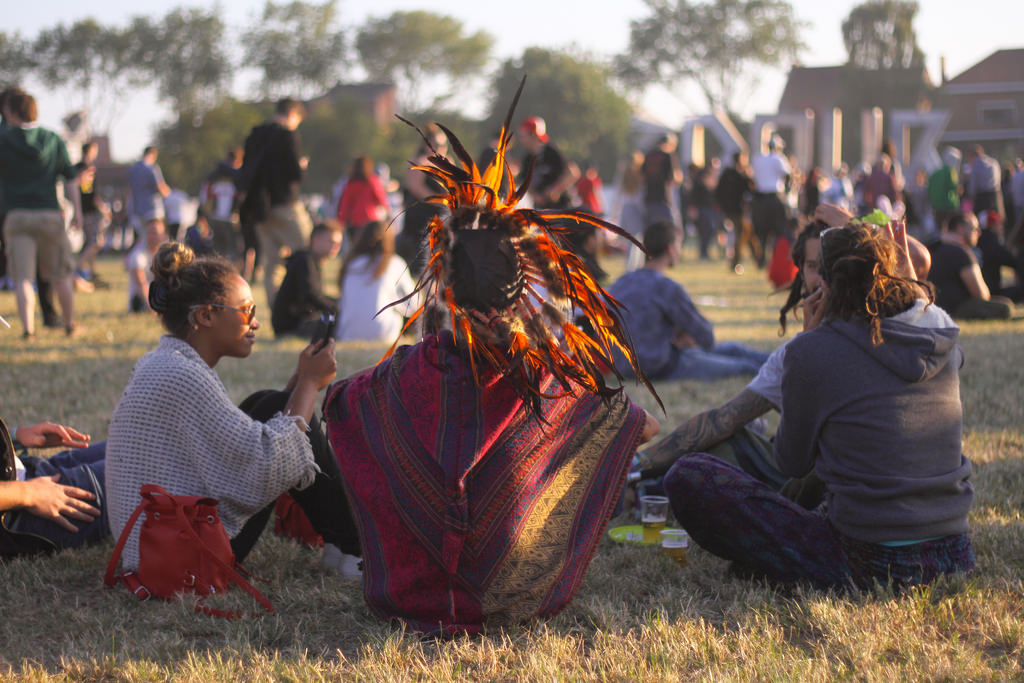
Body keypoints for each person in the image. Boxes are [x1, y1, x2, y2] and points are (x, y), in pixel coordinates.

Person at [323, 99, 659, 634]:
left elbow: (334, 407)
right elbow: (645, 425)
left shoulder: (398, 376)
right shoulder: (553, 381)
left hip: (408, 596)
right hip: (514, 594)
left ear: (444, 287)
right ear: (526, 287)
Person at [664, 221, 975, 590]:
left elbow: (791, 462)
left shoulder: (813, 351)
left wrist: (805, 345)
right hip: (954, 554)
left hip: (870, 561)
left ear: (823, 287)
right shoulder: (940, 337)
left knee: (689, 476)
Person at [105, 242, 361, 576]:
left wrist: (298, 393)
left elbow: (232, 446)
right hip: (182, 554)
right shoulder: (183, 375)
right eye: (246, 311)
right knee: (279, 414)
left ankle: (344, 546)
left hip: (156, 540)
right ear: (206, 315)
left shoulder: (164, 362)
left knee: (269, 403)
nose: (255, 324)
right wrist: (310, 385)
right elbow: (265, 468)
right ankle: (355, 547)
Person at [608, 219, 769, 381]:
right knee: (744, 367)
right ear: (671, 249)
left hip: (624, 366)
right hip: (659, 367)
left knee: (733, 349)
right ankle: (782, 365)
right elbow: (706, 337)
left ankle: (780, 361)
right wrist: (684, 334)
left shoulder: (620, 283)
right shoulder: (666, 287)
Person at [0, 89, 81, 337]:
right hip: (49, 215)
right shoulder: (52, 138)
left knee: (23, 278)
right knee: (61, 274)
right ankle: (69, 324)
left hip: (15, 217)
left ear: (10, 111)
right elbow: (70, 179)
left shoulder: (3, 139)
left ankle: (28, 329)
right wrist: (77, 210)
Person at [237, 98, 313, 309]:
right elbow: (294, 173)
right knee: (307, 252)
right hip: (286, 204)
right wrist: (303, 166)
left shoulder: (255, 135)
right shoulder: (288, 136)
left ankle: (277, 310)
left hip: (260, 208)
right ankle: (307, 302)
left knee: (272, 265)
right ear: (293, 115)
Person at [1, 417, 108, 556]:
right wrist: (30, 494)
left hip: (28, 474)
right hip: (20, 512)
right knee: (142, 463)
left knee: (137, 441)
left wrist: (13, 436)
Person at [335, 220, 414, 342]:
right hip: (383, 333)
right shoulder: (394, 263)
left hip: (347, 333)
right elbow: (413, 305)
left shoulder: (350, 264)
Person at [927, 211, 1012, 319]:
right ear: (960, 228)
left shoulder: (931, 247)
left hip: (932, 308)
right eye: (975, 228)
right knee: (1005, 307)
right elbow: (981, 295)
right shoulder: (962, 253)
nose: (979, 232)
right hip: (956, 309)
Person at [271, 221, 343, 338]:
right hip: (291, 327)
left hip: (293, 323)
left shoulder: (310, 260)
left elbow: (316, 296)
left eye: (339, 244)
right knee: (340, 321)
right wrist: (337, 308)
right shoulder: (304, 261)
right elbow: (311, 296)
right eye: (331, 242)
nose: (336, 247)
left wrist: (337, 303)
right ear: (315, 240)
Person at [126, 145, 171, 312]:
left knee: (144, 243)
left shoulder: (133, 169)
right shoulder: (152, 168)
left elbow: (129, 190)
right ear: (153, 154)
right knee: (155, 244)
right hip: (153, 209)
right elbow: (161, 187)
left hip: (137, 210)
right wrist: (170, 194)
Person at [398, 126, 448, 276]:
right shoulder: (421, 161)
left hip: (438, 213)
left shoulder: (446, 162)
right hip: (422, 214)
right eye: (436, 145)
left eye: (442, 145)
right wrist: (438, 201)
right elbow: (415, 187)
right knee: (419, 253)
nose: (440, 148)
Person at [518, 115, 579, 210]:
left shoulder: (551, 153)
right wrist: (535, 196)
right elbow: (524, 182)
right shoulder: (527, 158)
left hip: (561, 207)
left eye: (523, 135)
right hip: (541, 209)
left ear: (533, 135)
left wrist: (556, 189)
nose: (520, 139)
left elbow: (573, 173)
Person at [72, 140, 111, 288]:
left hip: (82, 209)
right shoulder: (87, 168)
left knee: (89, 243)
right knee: (96, 242)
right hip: (89, 211)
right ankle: (77, 268)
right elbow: (88, 191)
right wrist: (102, 207)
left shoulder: (76, 167)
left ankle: (90, 273)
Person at [750, 136, 791, 266]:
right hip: (775, 197)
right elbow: (787, 175)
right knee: (778, 230)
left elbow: (754, 178)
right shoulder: (779, 158)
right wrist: (787, 191)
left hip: (760, 199)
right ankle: (776, 258)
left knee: (762, 231)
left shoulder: (758, 159)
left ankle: (761, 259)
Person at [715, 151, 759, 272]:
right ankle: (737, 262)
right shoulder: (740, 175)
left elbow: (718, 191)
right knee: (742, 235)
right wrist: (749, 174)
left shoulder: (726, 173)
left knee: (748, 232)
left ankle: (758, 259)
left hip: (729, 210)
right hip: (738, 211)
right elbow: (750, 188)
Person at [335, 156, 389, 240]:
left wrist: (341, 222)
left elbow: (345, 206)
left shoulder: (350, 184)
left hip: (355, 222)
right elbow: (381, 200)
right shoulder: (373, 181)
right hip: (371, 221)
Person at [610, 150, 647, 271]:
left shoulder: (623, 175)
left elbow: (617, 195)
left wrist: (614, 214)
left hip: (625, 210)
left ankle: (632, 266)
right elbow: (640, 196)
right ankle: (633, 267)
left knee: (631, 241)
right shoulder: (639, 176)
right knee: (636, 241)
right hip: (635, 210)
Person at [641, 133, 682, 227]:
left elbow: (642, 177)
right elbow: (675, 179)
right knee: (671, 230)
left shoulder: (648, 156)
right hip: (665, 199)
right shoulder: (668, 156)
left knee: (653, 229)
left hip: (649, 199)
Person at [929, 146, 962, 233]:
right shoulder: (950, 171)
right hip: (949, 207)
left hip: (937, 207)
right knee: (951, 231)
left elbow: (929, 190)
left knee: (939, 231)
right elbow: (954, 187)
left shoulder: (935, 173)